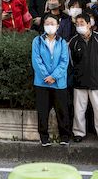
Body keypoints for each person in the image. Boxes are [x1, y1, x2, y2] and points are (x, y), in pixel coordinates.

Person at [32, 14, 71, 146]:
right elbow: (36, 60)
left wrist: (54, 76)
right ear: (43, 25)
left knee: (62, 110)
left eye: (52, 23)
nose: (50, 26)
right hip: (41, 82)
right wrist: (46, 76)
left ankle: (64, 135)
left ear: (58, 26)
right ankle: (44, 136)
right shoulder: (37, 41)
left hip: (59, 82)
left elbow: (64, 61)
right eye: (47, 23)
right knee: (43, 111)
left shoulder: (62, 42)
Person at [69, 11, 98, 142]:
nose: (79, 25)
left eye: (82, 23)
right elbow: (71, 62)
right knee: (79, 109)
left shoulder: (97, 38)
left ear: (89, 24)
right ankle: (79, 133)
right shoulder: (73, 42)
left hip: (96, 81)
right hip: (79, 81)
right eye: (77, 23)